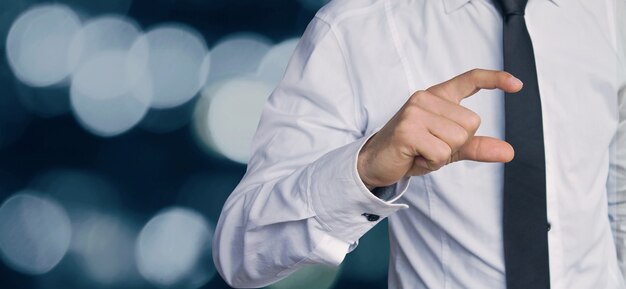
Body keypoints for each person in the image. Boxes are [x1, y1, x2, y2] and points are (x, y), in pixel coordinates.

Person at [213, 0, 626, 288]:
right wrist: (364, 167)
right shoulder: (354, 28)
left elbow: (618, 199)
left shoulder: (610, 10)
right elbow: (241, 253)